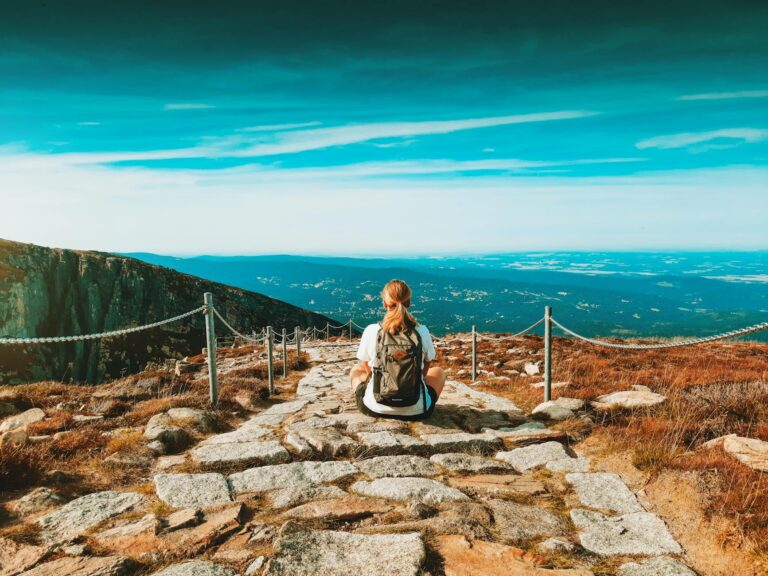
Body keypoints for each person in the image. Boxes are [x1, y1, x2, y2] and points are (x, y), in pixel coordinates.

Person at [350, 279, 446, 420]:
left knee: (356, 370)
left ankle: (373, 395)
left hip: (375, 407)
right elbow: (427, 364)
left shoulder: (372, 330)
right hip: (417, 410)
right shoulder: (421, 331)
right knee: (438, 372)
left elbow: (366, 366)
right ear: (409, 303)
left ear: (384, 303)